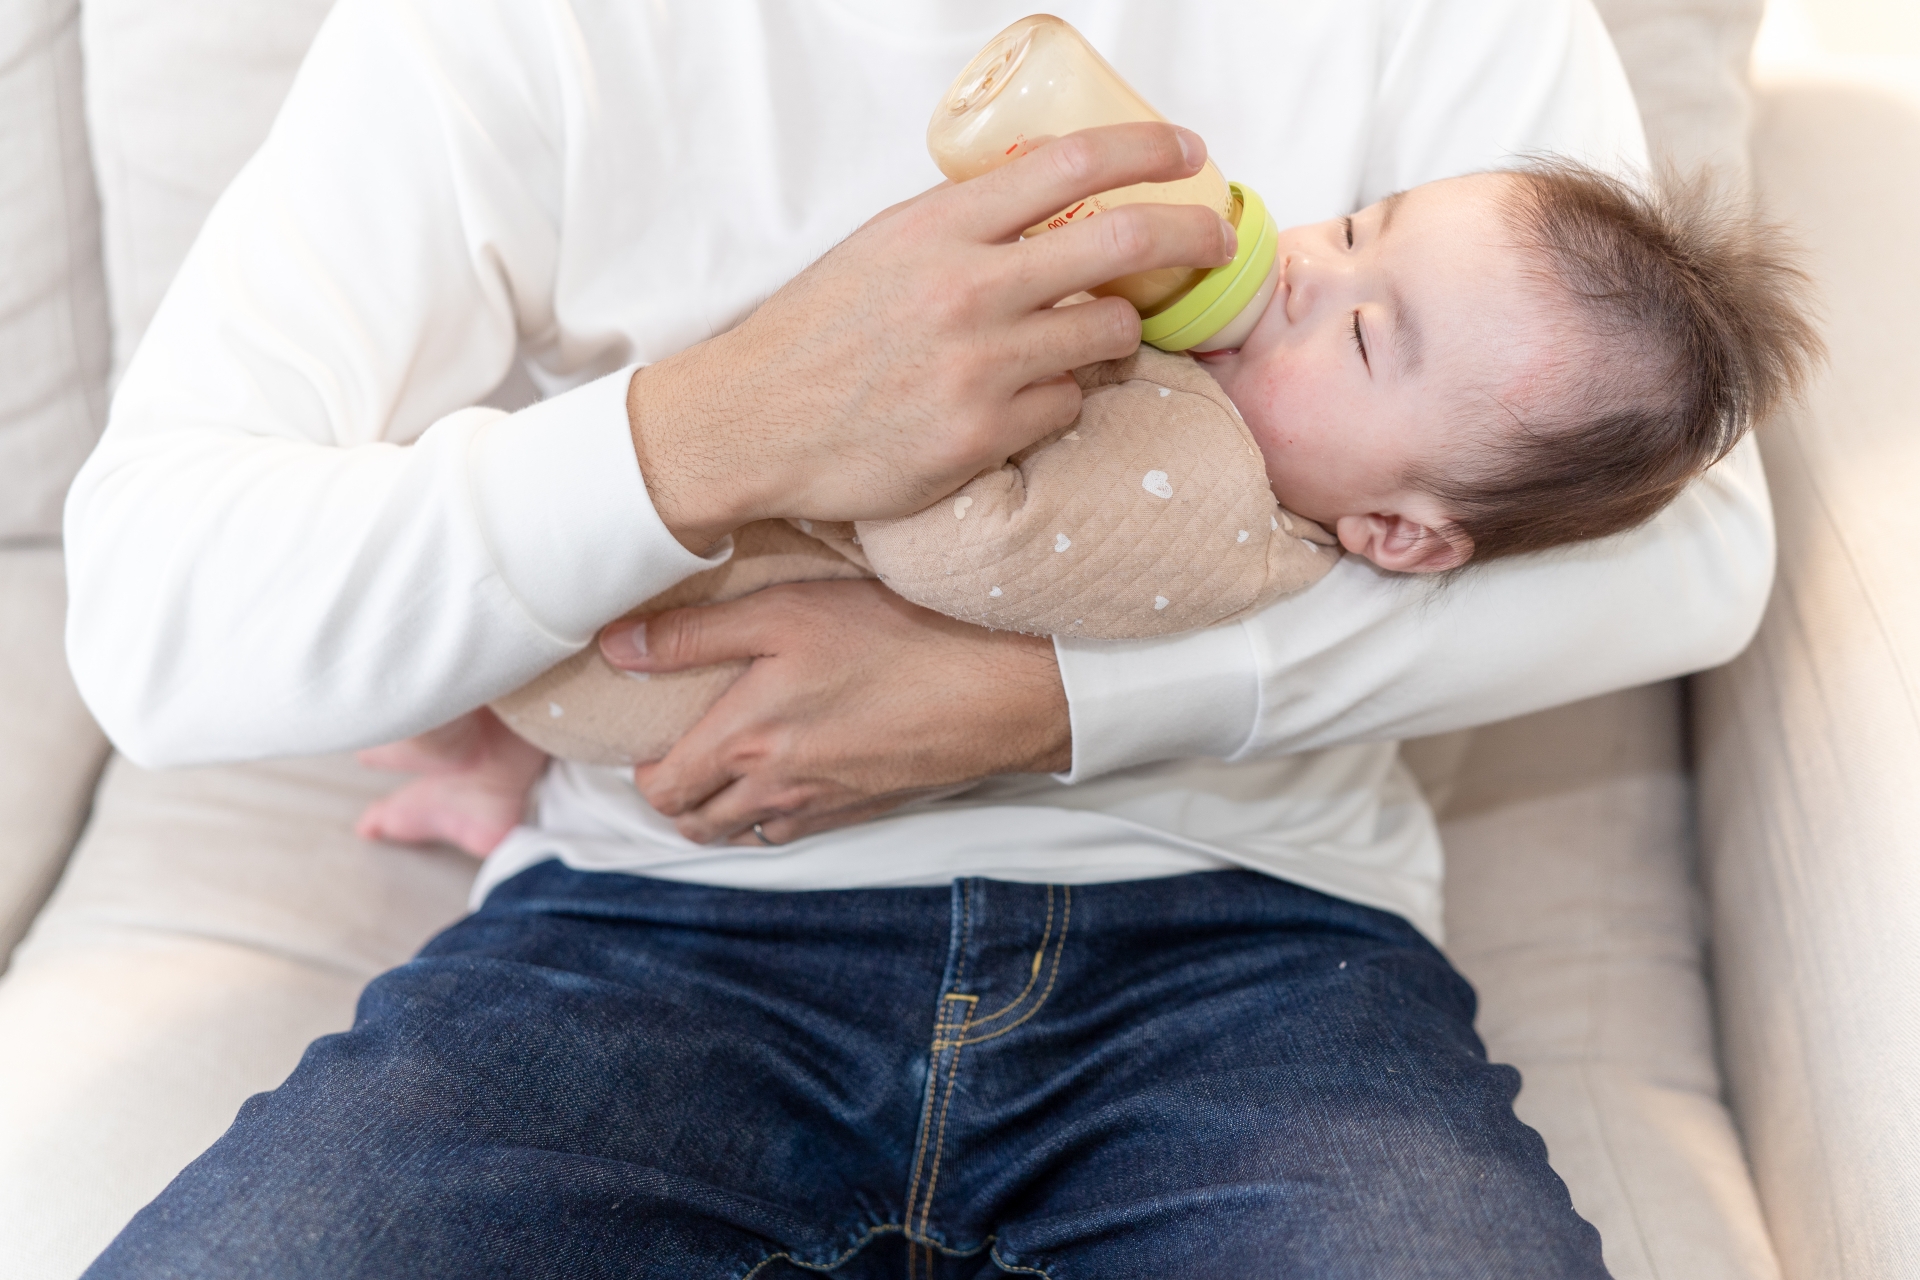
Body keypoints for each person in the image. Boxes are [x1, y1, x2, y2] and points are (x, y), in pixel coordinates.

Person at [63, 1, 1776, 1275]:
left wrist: (1041, 700)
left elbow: (1685, 549)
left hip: (1253, 946)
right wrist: (714, 428)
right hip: (661, 919)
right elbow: (151, 617)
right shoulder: (515, 36)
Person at [351, 162, 1818, 862]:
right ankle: (494, 770)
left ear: (1397, 535)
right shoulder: (1203, 389)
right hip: (666, 583)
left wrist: (932, 386)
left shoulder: (1208, 513)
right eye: (1361, 228)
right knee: (488, 590)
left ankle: (501, 745)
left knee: (524, 638)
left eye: (1371, 340)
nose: (1307, 272)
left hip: (685, 673)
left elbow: (967, 545)